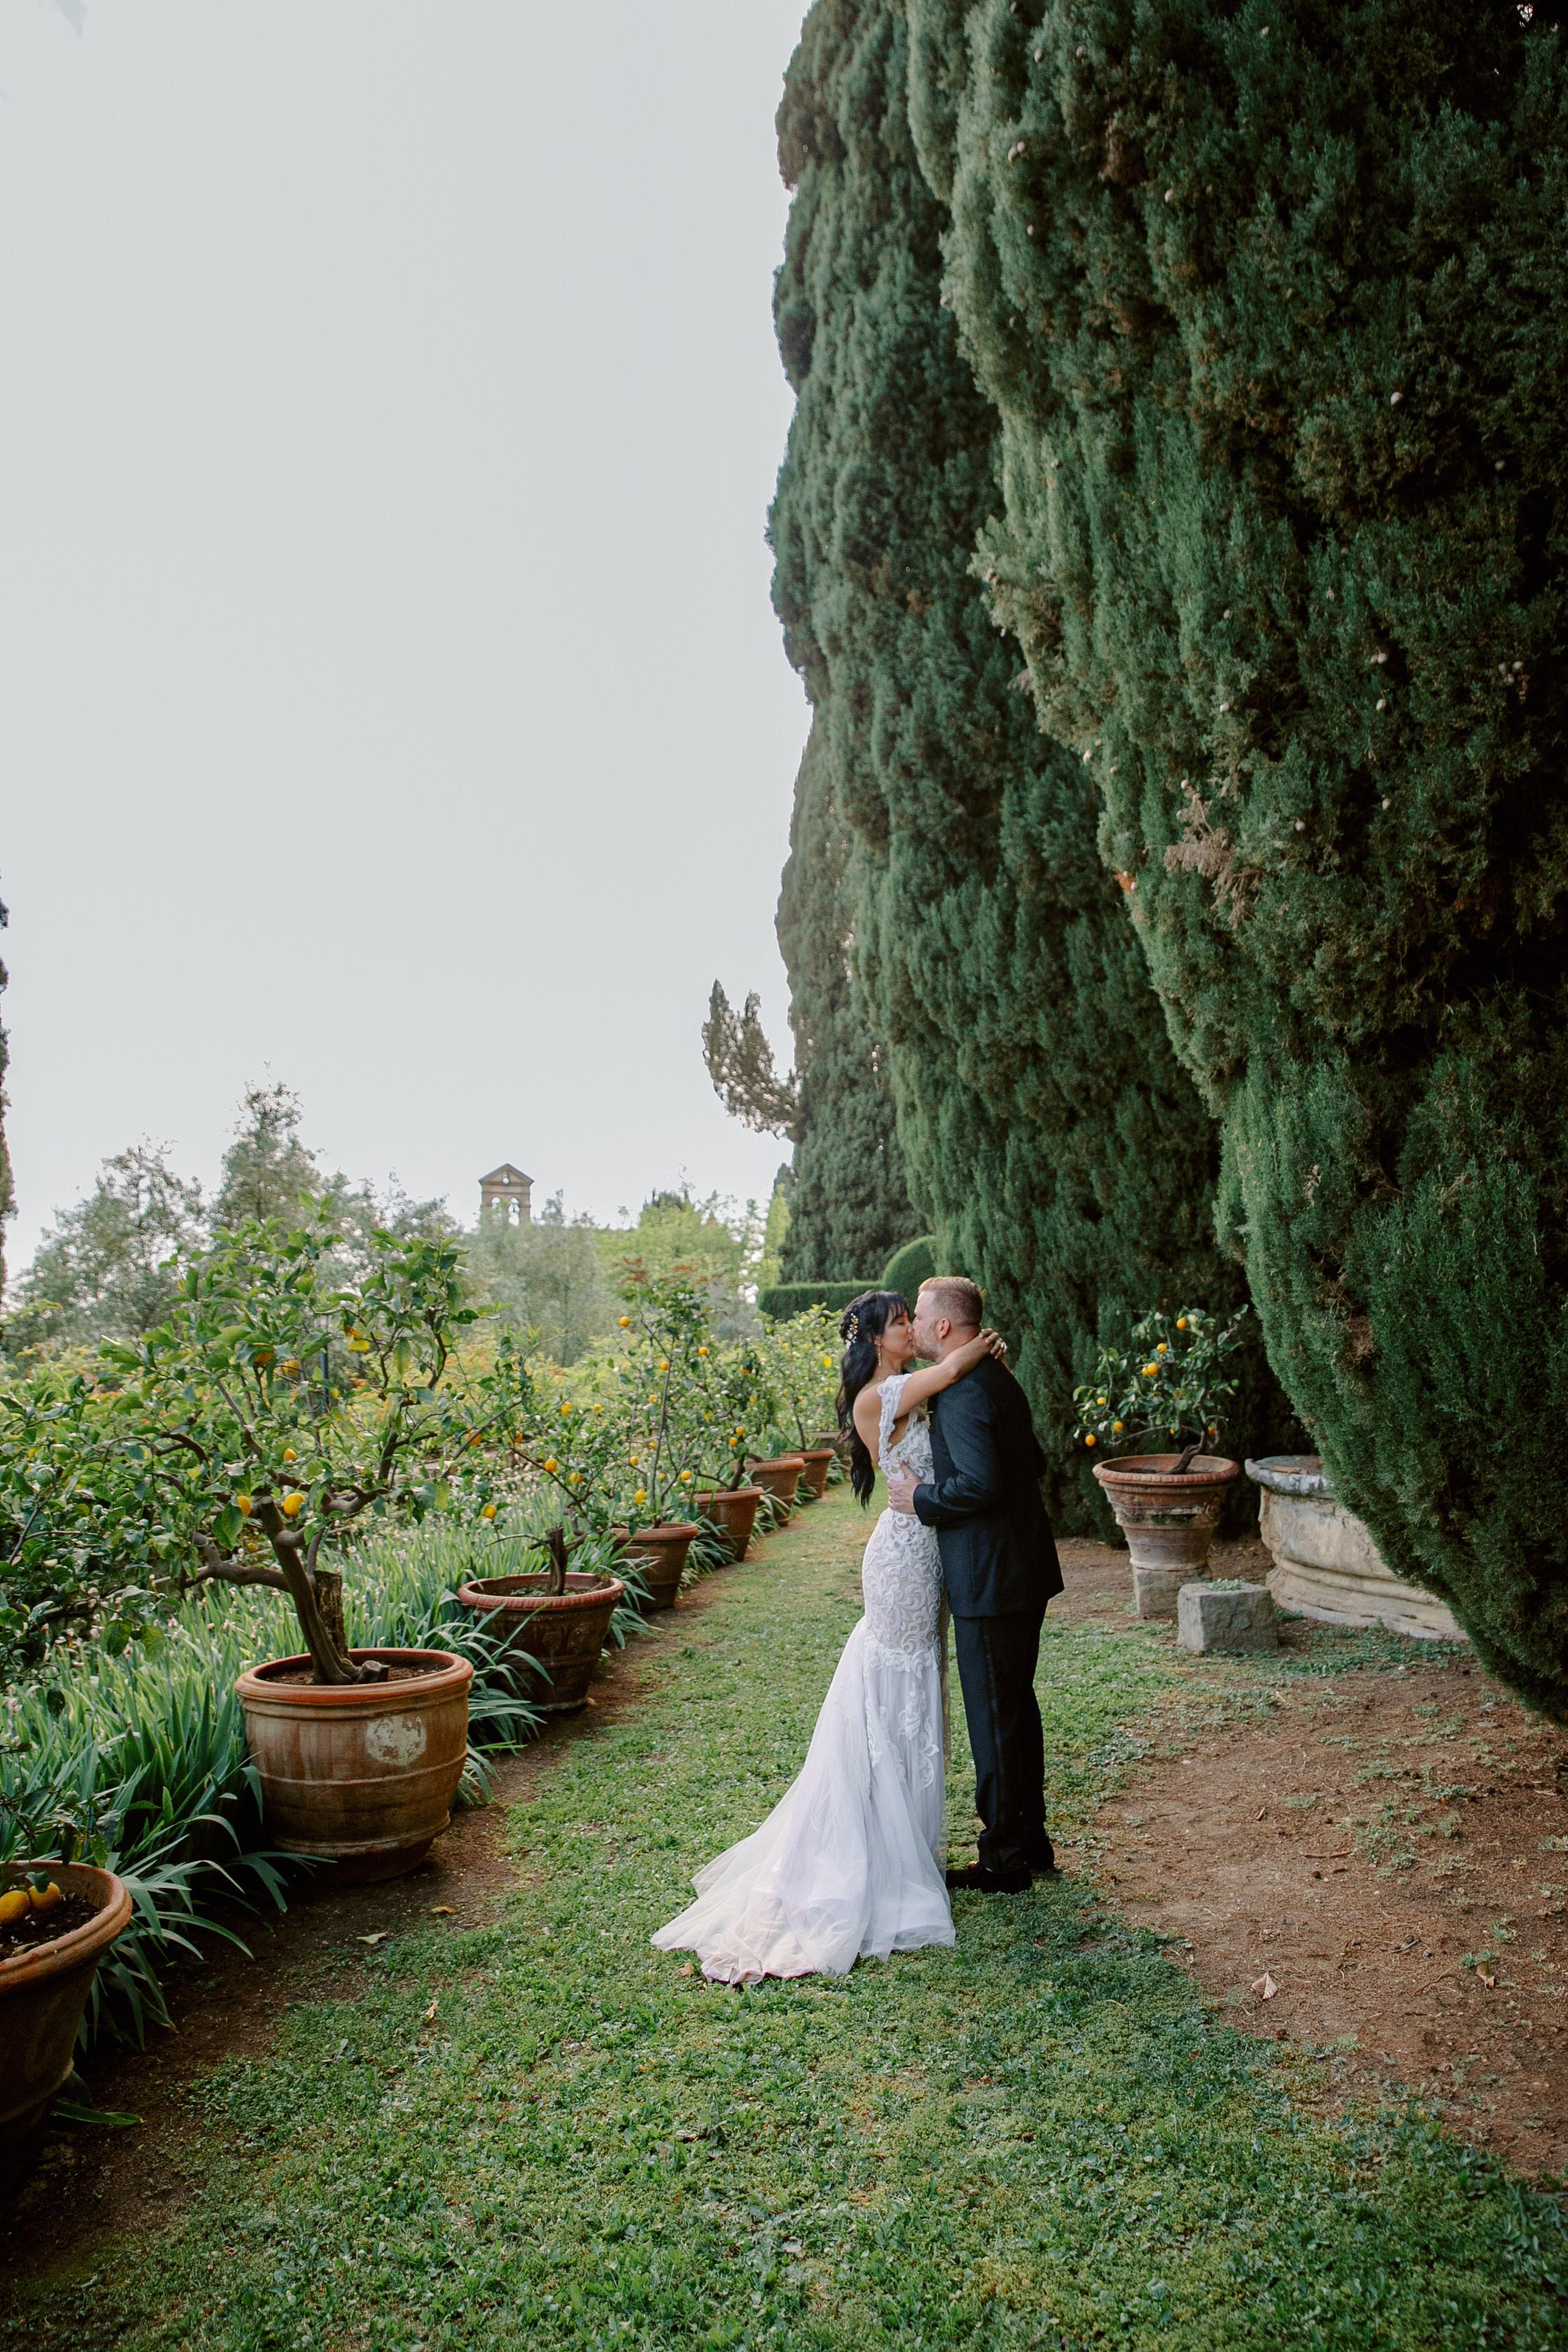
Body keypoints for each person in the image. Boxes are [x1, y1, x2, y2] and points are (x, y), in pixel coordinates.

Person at [651, 1289, 1006, 1983]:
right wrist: (976, 1343)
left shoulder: (904, 1388)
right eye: (900, 1322)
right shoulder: (878, 1396)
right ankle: (878, 1850)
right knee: (900, 1689)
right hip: (902, 1560)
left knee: (919, 1687)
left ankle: (907, 1841)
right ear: (877, 1337)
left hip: (926, 1556)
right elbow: (945, 1374)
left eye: (911, 1318)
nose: (909, 1328)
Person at [885, 1275, 1063, 1894]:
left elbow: (982, 1484)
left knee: (994, 1718)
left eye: (920, 1314)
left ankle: (1004, 1858)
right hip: (1025, 1569)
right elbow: (1032, 1464)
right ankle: (1031, 1839)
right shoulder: (996, 1377)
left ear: (942, 1328)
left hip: (992, 1578)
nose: (912, 1325)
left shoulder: (962, 1394)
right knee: (1016, 1707)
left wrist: (921, 1497)